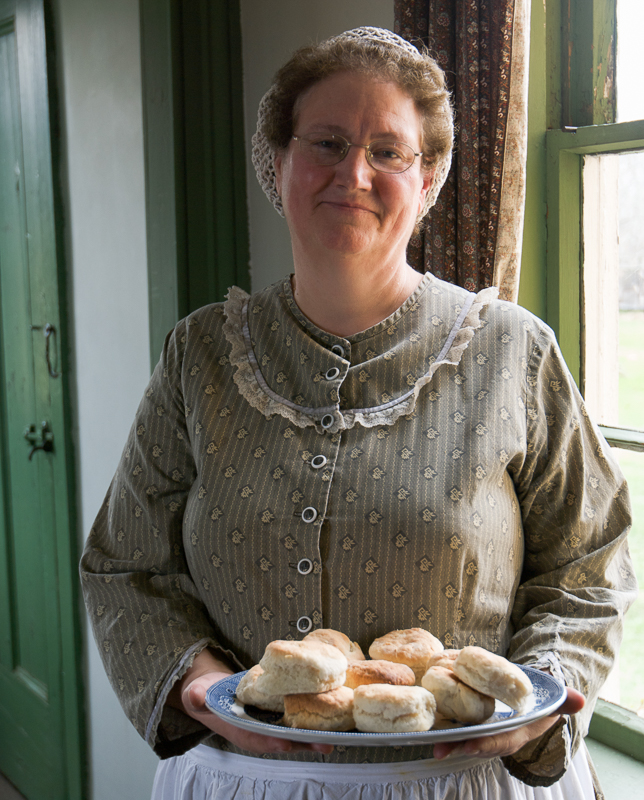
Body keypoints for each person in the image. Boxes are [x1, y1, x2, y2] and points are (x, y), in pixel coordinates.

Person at [80, 26, 636, 800]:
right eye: (328, 142)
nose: (355, 173)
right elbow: (125, 565)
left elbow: (590, 563)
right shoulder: (198, 356)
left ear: (430, 176)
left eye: (388, 151)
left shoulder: (515, 350)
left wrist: (534, 699)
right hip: (248, 781)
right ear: (278, 162)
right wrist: (204, 690)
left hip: (467, 784)